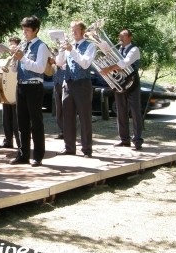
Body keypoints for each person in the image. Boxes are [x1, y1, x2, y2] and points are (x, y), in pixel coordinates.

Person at [9, 16, 50, 167]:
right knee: (22, 122)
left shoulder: (42, 46)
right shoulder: (23, 45)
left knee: (36, 122)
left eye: (27, 30)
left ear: (36, 30)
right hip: (21, 85)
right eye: (23, 30)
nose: (24, 33)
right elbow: (15, 68)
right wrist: (14, 60)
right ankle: (23, 154)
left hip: (34, 85)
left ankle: (38, 155)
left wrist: (23, 58)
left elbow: (40, 68)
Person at [55, 20, 96, 158]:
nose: (73, 33)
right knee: (67, 117)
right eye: (72, 30)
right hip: (68, 83)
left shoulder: (90, 46)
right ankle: (69, 147)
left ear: (83, 31)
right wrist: (61, 50)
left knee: (84, 117)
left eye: (76, 30)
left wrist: (71, 50)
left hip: (82, 84)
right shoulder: (69, 47)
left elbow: (85, 64)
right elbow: (59, 63)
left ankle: (87, 149)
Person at [99, 29, 143, 150]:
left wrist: (108, 68)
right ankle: (124, 139)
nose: (120, 39)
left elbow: (125, 63)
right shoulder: (118, 50)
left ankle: (137, 140)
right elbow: (115, 64)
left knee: (135, 112)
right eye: (119, 37)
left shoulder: (134, 49)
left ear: (130, 37)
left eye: (123, 37)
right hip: (120, 83)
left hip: (132, 83)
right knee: (121, 112)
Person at [0, 36, 21, 148]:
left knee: (16, 118)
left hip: (16, 90)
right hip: (6, 89)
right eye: (10, 45)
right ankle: (8, 140)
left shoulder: (20, 57)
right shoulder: (8, 58)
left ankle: (19, 141)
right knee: (6, 117)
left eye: (13, 45)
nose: (11, 47)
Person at [49, 55, 66, 139]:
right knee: (59, 108)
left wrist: (56, 61)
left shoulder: (67, 52)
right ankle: (62, 130)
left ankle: (68, 130)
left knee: (66, 107)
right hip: (56, 82)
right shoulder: (54, 53)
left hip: (65, 82)